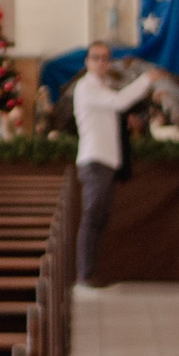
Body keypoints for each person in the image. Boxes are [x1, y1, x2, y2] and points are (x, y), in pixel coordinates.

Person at [69, 41, 168, 286]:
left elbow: (114, 110)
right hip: (94, 160)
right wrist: (147, 79)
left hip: (105, 160)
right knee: (92, 217)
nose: (101, 62)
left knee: (100, 218)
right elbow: (119, 101)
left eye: (105, 58)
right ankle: (84, 274)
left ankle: (90, 271)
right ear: (87, 61)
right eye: (96, 57)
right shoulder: (86, 86)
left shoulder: (102, 86)